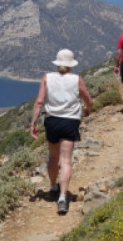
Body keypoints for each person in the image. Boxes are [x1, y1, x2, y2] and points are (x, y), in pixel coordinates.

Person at [30, 48, 93, 214]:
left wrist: (33, 123)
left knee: (53, 156)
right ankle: (63, 198)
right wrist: (87, 109)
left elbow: (39, 102)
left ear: (57, 63)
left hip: (52, 121)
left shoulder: (47, 78)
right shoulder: (76, 79)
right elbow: (87, 98)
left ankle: (52, 187)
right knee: (65, 160)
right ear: (71, 64)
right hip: (70, 122)